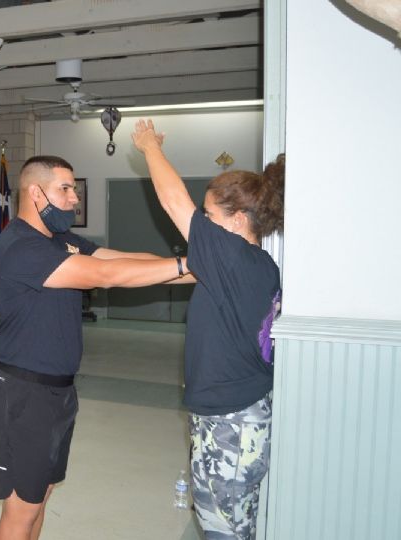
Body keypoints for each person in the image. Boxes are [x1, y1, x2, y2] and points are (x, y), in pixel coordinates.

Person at [0, 155, 189, 540]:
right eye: (65, 189)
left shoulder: (61, 240)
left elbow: (121, 259)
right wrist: (184, 266)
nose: (74, 199)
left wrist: (195, 266)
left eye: (74, 190)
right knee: (21, 506)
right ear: (35, 192)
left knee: (41, 495)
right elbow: (106, 275)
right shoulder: (19, 247)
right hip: (23, 392)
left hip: (58, 390)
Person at [132, 119, 283, 539]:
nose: (201, 221)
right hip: (230, 413)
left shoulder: (235, 258)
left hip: (232, 421)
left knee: (225, 530)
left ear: (237, 221)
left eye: (210, 213)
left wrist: (148, 147)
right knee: (228, 524)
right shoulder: (253, 266)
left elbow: (173, 201)